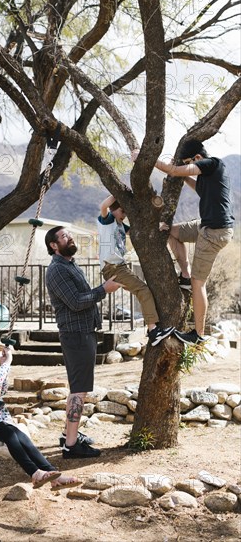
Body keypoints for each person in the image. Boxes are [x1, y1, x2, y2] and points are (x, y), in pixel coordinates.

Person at [132, 139, 234, 345]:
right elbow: (194, 184)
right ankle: (185, 275)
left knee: (200, 283)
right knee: (172, 232)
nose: (189, 166)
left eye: (189, 162)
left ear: (197, 158)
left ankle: (198, 334)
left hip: (215, 231)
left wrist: (149, 160)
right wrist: (181, 173)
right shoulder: (207, 177)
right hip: (207, 225)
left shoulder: (212, 163)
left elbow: (178, 171)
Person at [0, 329, 81, 490]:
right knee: (11, 435)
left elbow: (0, 389)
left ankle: (53, 475)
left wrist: (4, 365)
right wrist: (8, 362)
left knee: (20, 435)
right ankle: (35, 473)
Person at [45, 226, 120, 459]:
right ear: (53, 246)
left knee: (79, 388)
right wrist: (104, 290)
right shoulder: (57, 270)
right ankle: (71, 446)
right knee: (79, 391)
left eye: (70, 234)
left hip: (84, 332)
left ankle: (71, 435)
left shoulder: (70, 264)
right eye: (64, 236)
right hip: (76, 335)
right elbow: (76, 302)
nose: (70, 238)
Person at [97, 195, 175, 346]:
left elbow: (139, 230)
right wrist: (116, 192)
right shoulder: (107, 220)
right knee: (143, 290)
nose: (124, 215)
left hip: (120, 267)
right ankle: (153, 331)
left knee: (143, 291)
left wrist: (157, 226)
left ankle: (153, 327)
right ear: (113, 210)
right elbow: (103, 206)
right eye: (122, 211)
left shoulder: (120, 224)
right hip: (112, 267)